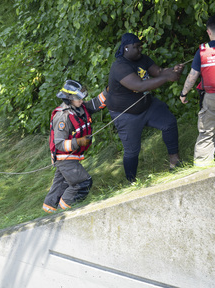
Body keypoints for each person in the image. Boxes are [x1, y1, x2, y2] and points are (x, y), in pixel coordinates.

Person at [106, 33, 184, 182]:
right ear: (126, 48)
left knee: (169, 123)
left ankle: (175, 162)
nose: (140, 49)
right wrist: (166, 78)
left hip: (147, 105)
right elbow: (139, 86)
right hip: (126, 113)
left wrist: (173, 71)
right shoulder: (120, 66)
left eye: (140, 46)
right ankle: (131, 182)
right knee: (132, 151)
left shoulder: (143, 59)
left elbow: (159, 72)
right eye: (136, 47)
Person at [43, 80, 107, 213]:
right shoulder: (62, 116)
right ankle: (66, 211)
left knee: (60, 186)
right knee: (82, 183)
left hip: (72, 156)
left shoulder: (80, 107)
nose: (82, 101)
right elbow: (59, 144)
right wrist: (79, 142)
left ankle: (48, 211)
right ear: (69, 99)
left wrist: (110, 90)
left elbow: (96, 103)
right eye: (78, 98)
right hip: (64, 157)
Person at [180, 15, 215, 167]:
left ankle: (202, 169)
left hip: (212, 99)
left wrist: (183, 94)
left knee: (206, 135)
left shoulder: (202, 51)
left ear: (208, 32)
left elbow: (192, 77)